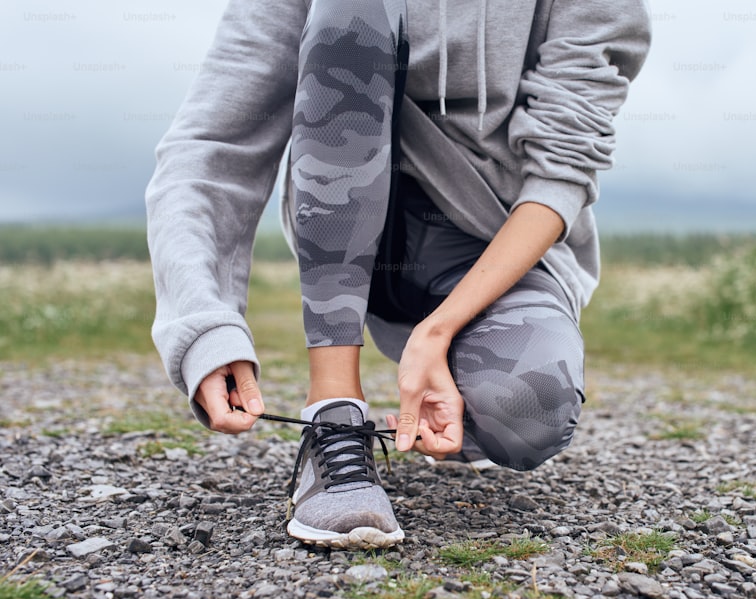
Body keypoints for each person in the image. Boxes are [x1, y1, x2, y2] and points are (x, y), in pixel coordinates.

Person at [147, 0, 651, 549]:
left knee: (531, 410)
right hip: (347, 236)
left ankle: (460, 389)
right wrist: (204, 323)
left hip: (494, 251)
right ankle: (334, 415)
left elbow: (562, 169)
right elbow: (214, 142)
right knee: (350, 11)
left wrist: (439, 331)